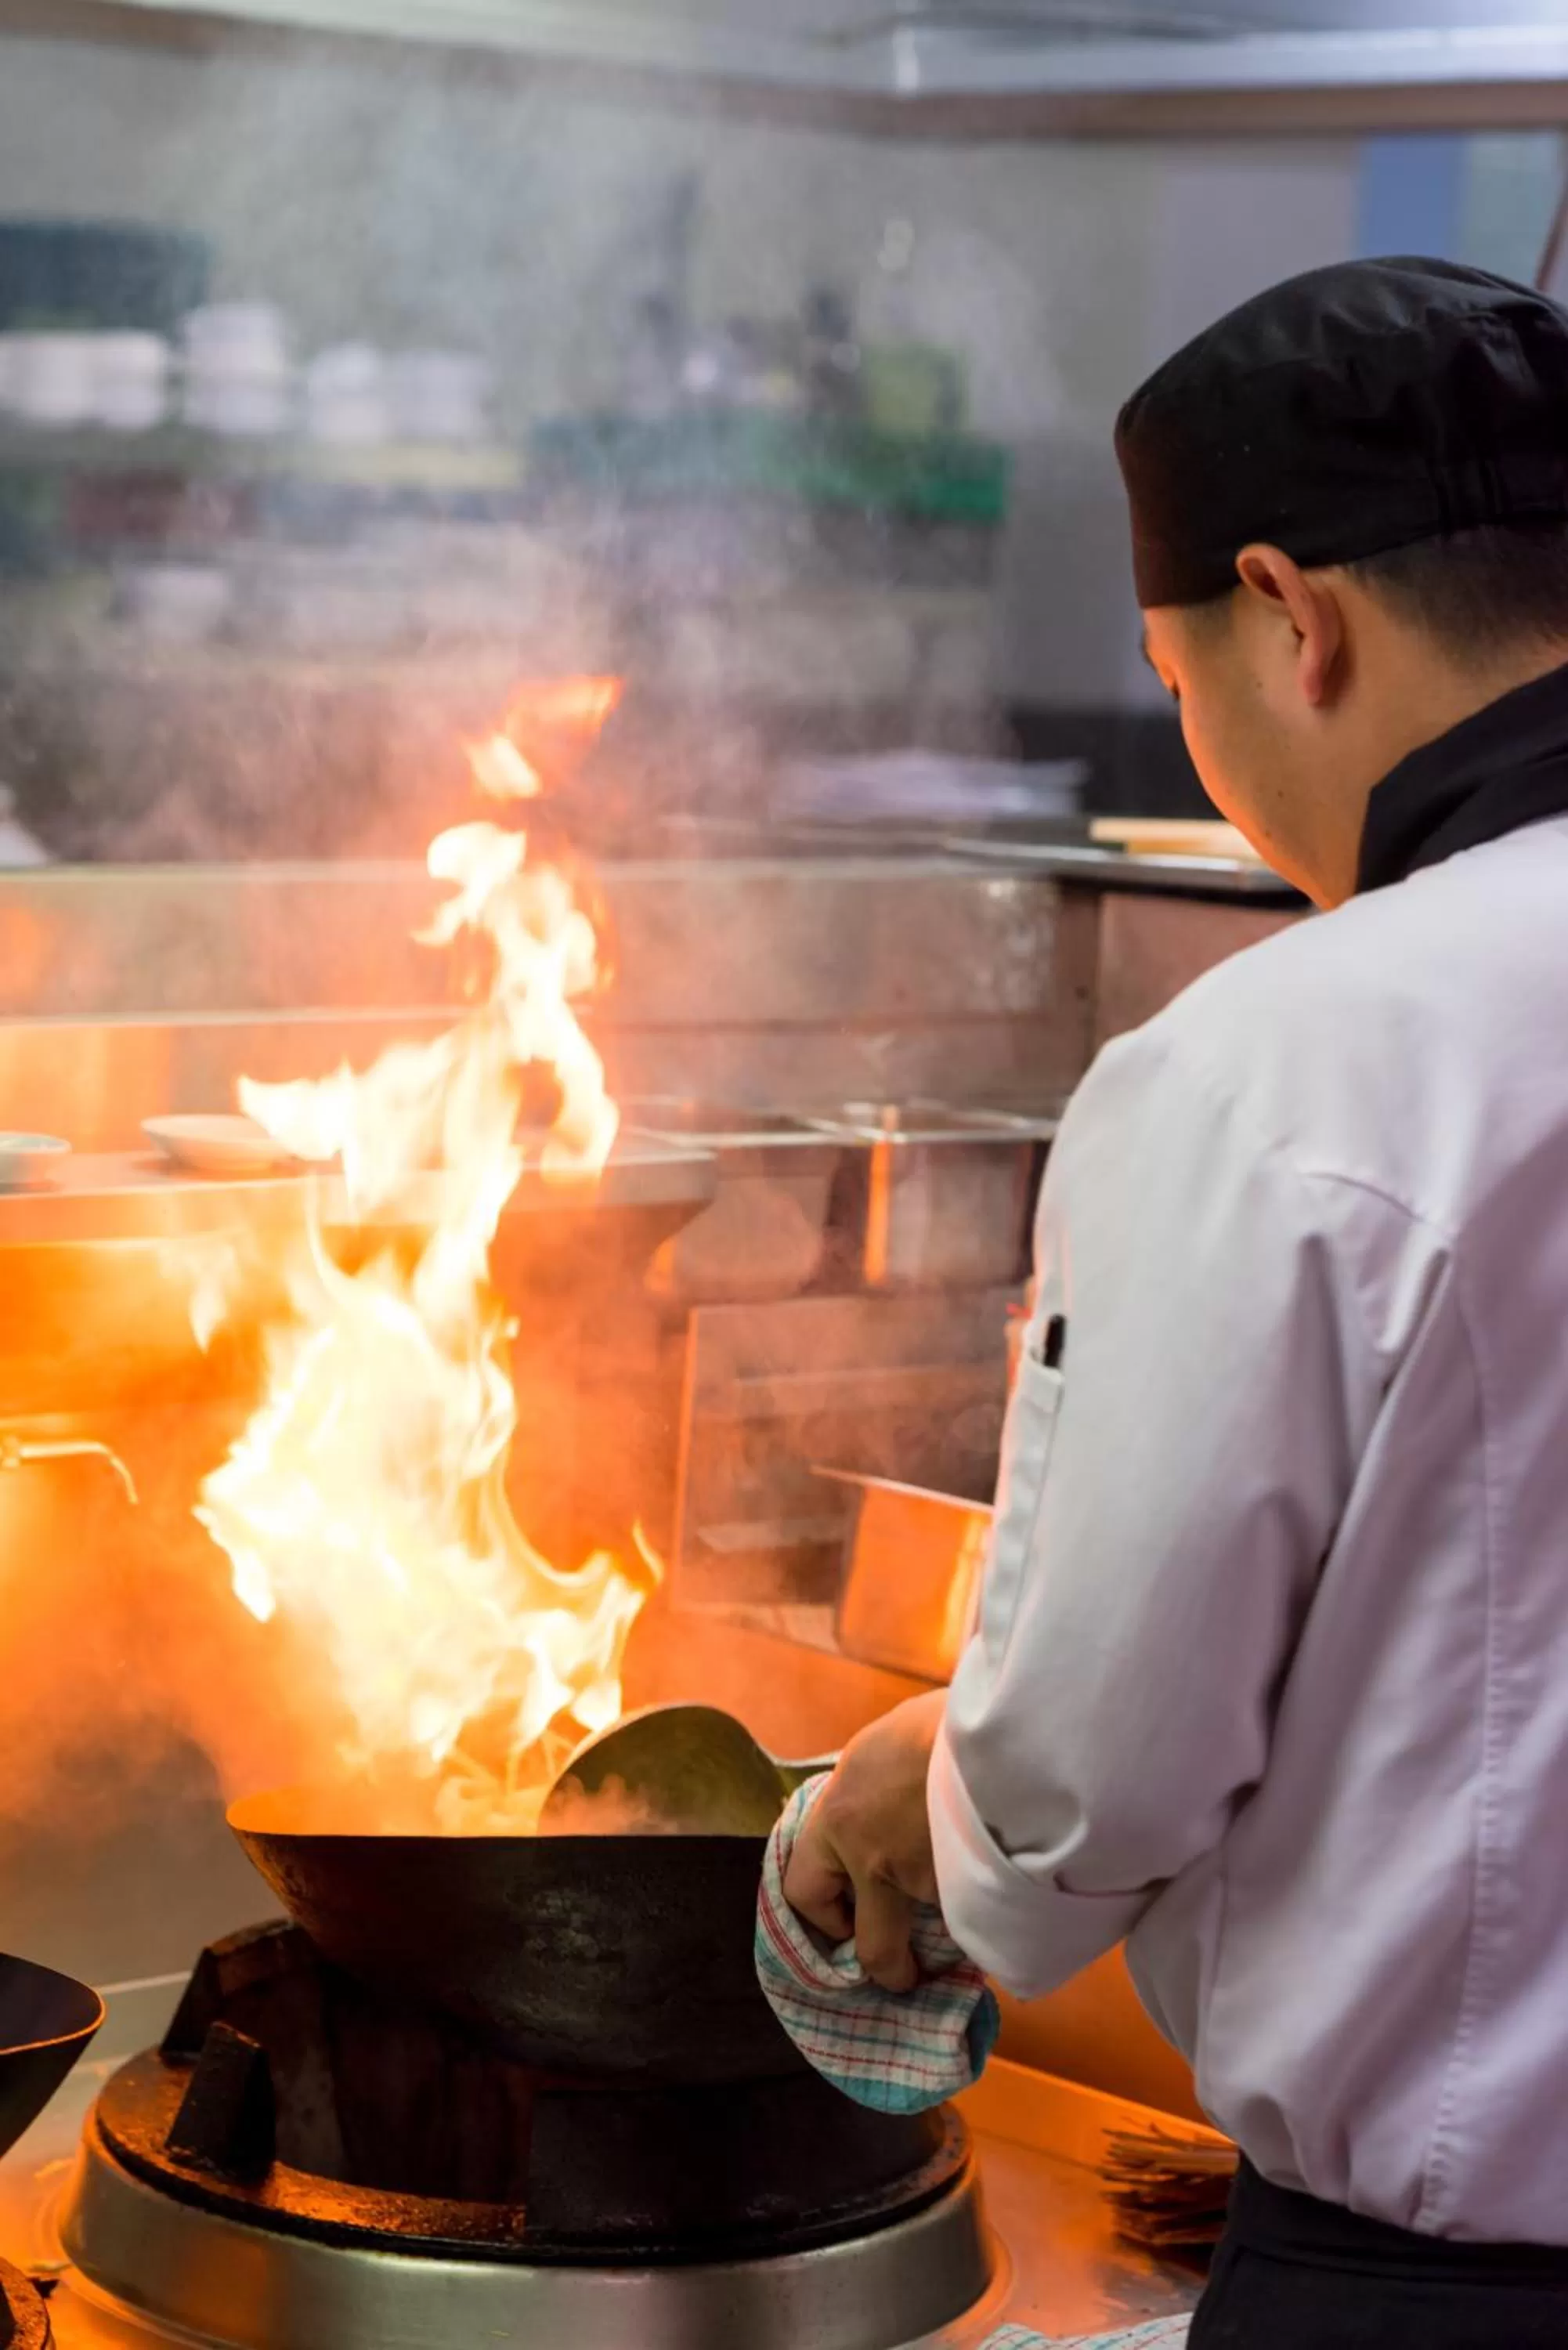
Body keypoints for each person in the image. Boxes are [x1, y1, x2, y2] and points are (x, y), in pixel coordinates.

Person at [783, 256, 1568, 2348]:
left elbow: (1077, 1795)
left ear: (1290, 618)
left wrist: (917, 1793)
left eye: (1182, 675)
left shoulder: (1286, 1064)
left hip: (1452, 2292)